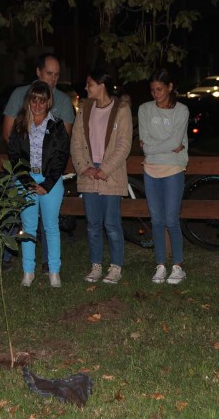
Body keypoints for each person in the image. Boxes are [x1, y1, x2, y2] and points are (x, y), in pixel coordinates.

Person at [2, 54, 75, 274]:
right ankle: (9, 258)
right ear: (38, 72)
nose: (53, 79)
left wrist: (48, 172)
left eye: (56, 75)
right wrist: (25, 163)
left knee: (50, 223)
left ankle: (49, 265)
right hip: (24, 170)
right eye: (48, 73)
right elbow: (10, 135)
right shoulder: (19, 95)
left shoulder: (62, 102)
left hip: (49, 173)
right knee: (19, 219)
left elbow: (61, 145)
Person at [71, 67, 132, 285]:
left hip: (110, 174)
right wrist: (84, 168)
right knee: (92, 223)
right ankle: (96, 265)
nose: (86, 88)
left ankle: (116, 267)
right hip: (89, 172)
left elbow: (124, 144)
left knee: (112, 223)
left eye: (90, 84)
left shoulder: (121, 109)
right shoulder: (84, 109)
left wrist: (104, 169)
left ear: (101, 85)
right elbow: (76, 142)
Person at [138, 68, 189, 285]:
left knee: (171, 218)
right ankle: (160, 264)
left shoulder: (182, 110)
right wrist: (164, 147)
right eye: (152, 90)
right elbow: (144, 143)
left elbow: (176, 141)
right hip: (151, 169)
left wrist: (154, 147)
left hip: (174, 170)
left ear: (169, 87)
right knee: (156, 219)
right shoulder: (144, 109)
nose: (155, 94)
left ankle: (178, 266)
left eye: (159, 89)